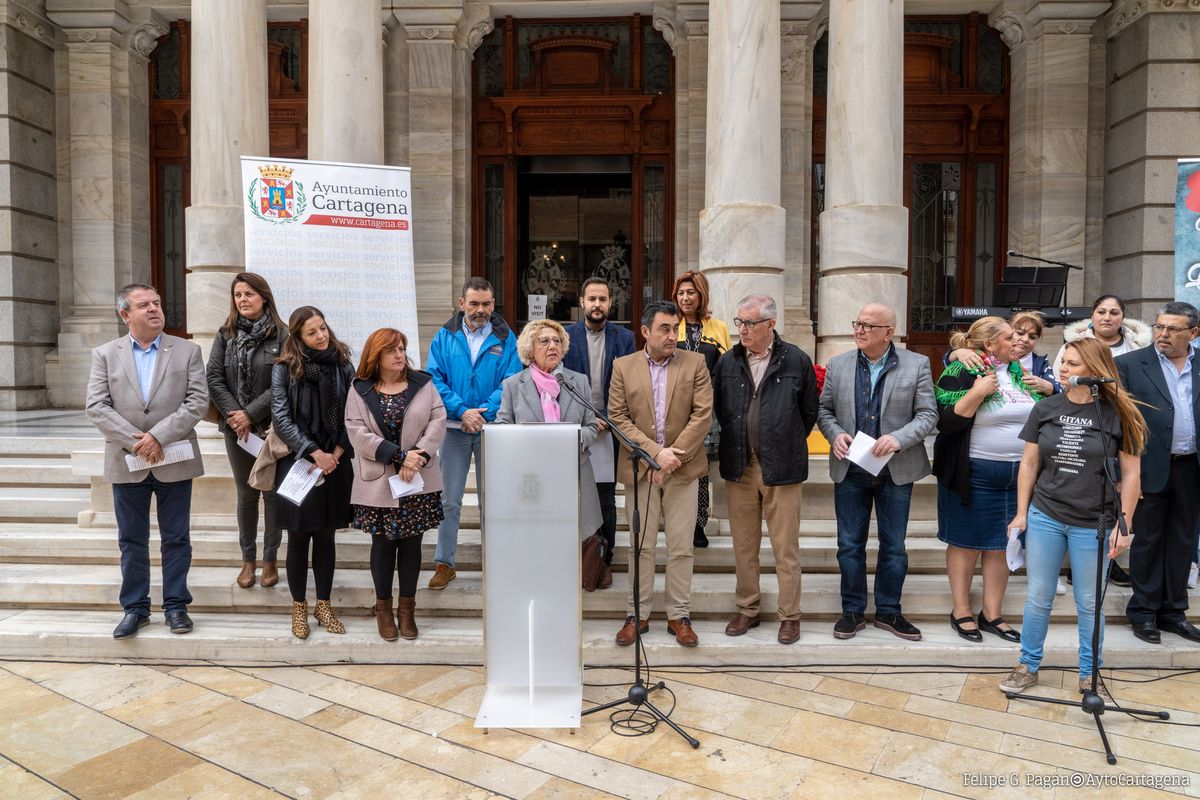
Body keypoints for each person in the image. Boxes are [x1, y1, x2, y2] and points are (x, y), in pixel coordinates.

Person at [999, 338, 1146, 701]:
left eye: (1074, 364)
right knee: (1038, 597)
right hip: (1047, 513)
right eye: (1063, 362)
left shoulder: (1119, 415)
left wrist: (1123, 525)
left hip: (1093, 522)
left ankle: (1089, 673)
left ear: (1096, 372)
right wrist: (1021, 512)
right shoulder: (1046, 408)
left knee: (1089, 602)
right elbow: (1030, 463)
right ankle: (1027, 665)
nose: (1064, 369)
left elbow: (1131, 476)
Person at [85, 284, 208, 638]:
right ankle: (136, 608)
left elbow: (197, 401)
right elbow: (96, 406)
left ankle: (175, 606)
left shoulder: (187, 351)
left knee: (176, 538)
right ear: (125, 314)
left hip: (174, 457)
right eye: (144, 305)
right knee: (132, 539)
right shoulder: (105, 354)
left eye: (157, 302)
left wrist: (159, 437)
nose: (154, 308)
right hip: (127, 460)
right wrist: (138, 442)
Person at [817, 303, 938, 641]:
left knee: (894, 545)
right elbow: (824, 410)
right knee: (849, 544)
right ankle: (852, 611)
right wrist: (835, 434)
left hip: (895, 470)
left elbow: (928, 415)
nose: (860, 330)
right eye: (858, 323)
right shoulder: (838, 365)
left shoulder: (917, 365)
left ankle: (889, 611)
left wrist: (898, 439)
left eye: (869, 326)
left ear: (889, 332)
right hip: (851, 468)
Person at [713, 294, 818, 645]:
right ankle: (748, 608)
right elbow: (719, 409)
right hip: (739, 465)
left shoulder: (797, 361)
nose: (741, 329)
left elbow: (808, 413)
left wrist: (780, 441)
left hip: (782, 466)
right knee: (744, 546)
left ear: (770, 324)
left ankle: (790, 616)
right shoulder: (728, 362)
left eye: (749, 323)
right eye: (739, 322)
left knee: (785, 548)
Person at [609, 300, 713, 647]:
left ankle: (678, 615)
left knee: (682, 547)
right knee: (642, 547)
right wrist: (656, 455)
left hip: (683, 471)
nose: (672, 336)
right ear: (645, 332)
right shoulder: (623, 367)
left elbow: (702, 416)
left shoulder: (696, 363)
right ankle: (636, 614)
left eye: (675, 329)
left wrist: (672, 458)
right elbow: (618, 418)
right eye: (665, 329)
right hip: (641, 471)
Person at [933, 316, 1040, 643]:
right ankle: (961, 610)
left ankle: (992, 613)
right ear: (989, 344)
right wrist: (978, 391)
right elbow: (945, 422)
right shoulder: (961, 371)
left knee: (999, 545)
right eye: (1010, 337)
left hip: (1016, 477)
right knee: (965, 544)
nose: (1018, 342)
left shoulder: (1020, 373)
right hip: (972, 473)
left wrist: (1050, 390)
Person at [345, 328, 446, 642]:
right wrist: (399, 456)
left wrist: (419, 456)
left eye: (402, 349)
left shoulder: (423, 384)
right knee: (383, 545)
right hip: (380, 481)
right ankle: (384, 609)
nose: (400, 355)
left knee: (412, 545)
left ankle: (407, 610)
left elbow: (438, 419)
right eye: (392, 350)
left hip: (417, 480)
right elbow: (357, 431)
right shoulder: (360, 389)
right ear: (377, 356)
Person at [426, 277, 522, 590]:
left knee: (491, 500)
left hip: (491, 430)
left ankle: (494, 562)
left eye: (486, 304)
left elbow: (512, 379)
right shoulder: (444, 336)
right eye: (474, 303)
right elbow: (434, 379)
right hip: (453, 428)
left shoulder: (507, 338)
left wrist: (481, 413)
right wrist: (460, 411)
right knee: (449, 500)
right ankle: (445, 562)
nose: (480, 310)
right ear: (461, 304)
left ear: (493, 304)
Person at [1116, 301, 1200, 644]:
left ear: (1193, 333)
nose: (1163, 334)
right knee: (1148, 540)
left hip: (1191, 467)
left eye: (1172, 329)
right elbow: (1118, 422)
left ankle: (1173, 611)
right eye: (1159, 327)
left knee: (1183, 540)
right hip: (1147, 466)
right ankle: (1144, 611)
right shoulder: (1130, 365)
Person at [271, 306, 355, 639]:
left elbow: (355, 412)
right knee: (298, 537)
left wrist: (334, 453)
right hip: (298, 462)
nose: (321, 336)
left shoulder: (343, 364)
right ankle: (298, 608)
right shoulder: (285, 368)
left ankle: (323, 605)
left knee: (326, 536)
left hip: (335, 461)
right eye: (312, 332)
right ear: (298, 337)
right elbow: (281, 417)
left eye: (323, 328)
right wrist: (314, 453)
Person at [206, 272, 289, 590]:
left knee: (271, 494)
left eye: (249, 294)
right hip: (236, 430)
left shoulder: (281, 334)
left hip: (271, 429)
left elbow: (285, 380)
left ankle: (270, 560)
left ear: (264, 297)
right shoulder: (225, 334)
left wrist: (251, 413)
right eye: (238, 295)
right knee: (246, 495)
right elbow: (214, 376)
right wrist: (236, 416)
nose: (242, 300)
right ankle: (248, 561)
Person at [497, 319, 603, 543]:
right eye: (544, 341)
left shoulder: (579, 382)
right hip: (531, 477)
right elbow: (502, 428)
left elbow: (592, 427)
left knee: (570, 540)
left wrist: (568, 439)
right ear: (530, 349)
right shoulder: (513, 385)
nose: (552, 346)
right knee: (536, 540)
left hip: (573, 475)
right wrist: (530, 440)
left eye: (557, 341)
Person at [563, 277, 636, 587]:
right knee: (572, 495)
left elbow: (630, 383)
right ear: (582, 302)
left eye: (602, 299)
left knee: (606, 499)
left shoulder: (625, 339)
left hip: (609, 430)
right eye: (591, 298)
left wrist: (606, 418)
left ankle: (605, 561)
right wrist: (587, 420)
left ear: (610, 303)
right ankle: (575, 558)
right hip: (574, 431)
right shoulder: (564, 337)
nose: (597, 304)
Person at [673, 271, 731, 549]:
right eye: (681, 293)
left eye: (690, 292)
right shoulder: (671, 325)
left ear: (701, 295)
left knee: (702, 468)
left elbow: (727, 369)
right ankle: (678, 521)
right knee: (678, 464)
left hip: (707, 408)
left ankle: (698, 524)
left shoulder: (717, 327)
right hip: (674, 407)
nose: (685, 298)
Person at [948, 310, 1059, 397]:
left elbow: (1061, 391)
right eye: (1019, 333)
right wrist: (957, 353)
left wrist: (1050, 388)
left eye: (1032, 337)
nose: (1025, 339)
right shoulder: (980, 357)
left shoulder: (1040, 363)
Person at [1052, 294, 1151, 375]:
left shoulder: (1139, 346)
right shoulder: (1073, 345)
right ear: (1092, 315)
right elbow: (1060, 379)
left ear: (1123, 318)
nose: (1107, 318)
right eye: (1101, 312)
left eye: (1114, 313)